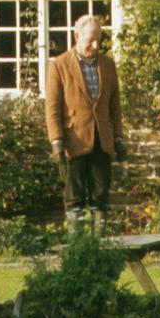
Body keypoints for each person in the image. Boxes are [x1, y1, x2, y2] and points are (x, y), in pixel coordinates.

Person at [44, 13, 124, 233]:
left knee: (100, 196)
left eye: (99, 39)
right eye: (91, 40)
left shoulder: (108, 65)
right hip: (73, 140)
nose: (96, 45)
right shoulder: (59, 66)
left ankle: (100, 245)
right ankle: (78, 248)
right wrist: (56, 140)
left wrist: (118, 137)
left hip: (101, 139)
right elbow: (52, 107)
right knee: (74, 198)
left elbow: (115, 105)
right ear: (76, 36)